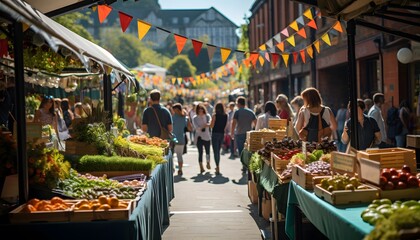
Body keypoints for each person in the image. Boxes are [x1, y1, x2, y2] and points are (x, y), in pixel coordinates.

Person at [230, 96, 257, 172]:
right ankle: (248, 164)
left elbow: (234, 123)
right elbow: (256, 122)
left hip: (239, 133)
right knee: (248, 150)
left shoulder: (237, 112)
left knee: (241, 150)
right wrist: (254, 130)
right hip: (249, 134)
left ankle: (244, 165)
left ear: (238, 103)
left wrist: (232, 132)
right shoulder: (250, 112)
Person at [172, 103, 192, 176]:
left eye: (174, 110)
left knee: (171, 155)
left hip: (172, 139)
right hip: (181, 139)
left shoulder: (173, 118)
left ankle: (173, 168)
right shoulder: (185, 118)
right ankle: (180, 169)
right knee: (179, 155)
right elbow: (190, 129)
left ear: (176, 109)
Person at [193, 104, 212, 173]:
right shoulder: (195, 118)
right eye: (199, 109)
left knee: (207, 152)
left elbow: (210, 123)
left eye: (202, 108)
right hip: (199, 137)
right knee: (200, 152)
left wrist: (205, 125)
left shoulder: (207, 116)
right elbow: (196, 127)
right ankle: (201, 167)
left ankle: (208, 162)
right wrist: (204, 126)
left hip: (207, 136)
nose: (200, 110)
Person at [209, 102, 228, 175]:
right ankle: (218, 166)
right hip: (221, 134)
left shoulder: (214, 115)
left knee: (215, 151)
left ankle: (217, 166)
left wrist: (209, 123)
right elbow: (225, 126)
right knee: (218, 151)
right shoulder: (226, 115)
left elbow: (211, 126)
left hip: (215, 134)